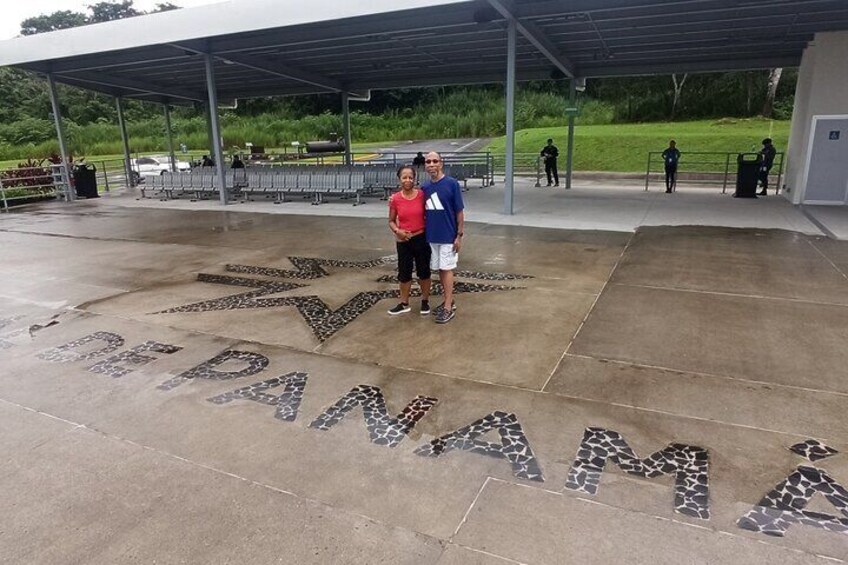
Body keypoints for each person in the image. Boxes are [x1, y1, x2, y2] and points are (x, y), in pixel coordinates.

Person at [422, 151, 464, 324]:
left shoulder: (452, 184)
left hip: (448, 236)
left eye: (434, 161)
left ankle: (448, 306)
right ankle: (449, 300)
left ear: (441, 163)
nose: (431, 164)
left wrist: (459, 235)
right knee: (440, 268)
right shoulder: (425, 188)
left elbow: (459, 212)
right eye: (428, 161)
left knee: (447, 269)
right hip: (433, 236)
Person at [387, 166, 432, 316]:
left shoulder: (422, 195)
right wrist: (397, 231)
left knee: (424, 272)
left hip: (421, 238)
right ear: (399, 179)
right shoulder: (395, 199)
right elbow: (391, 221)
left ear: (415, 178)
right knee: (404, 273)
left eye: (410, 177)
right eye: (404, 177)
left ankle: (425, 301)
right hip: (403, 240)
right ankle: (404, 302)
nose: (408, 180)